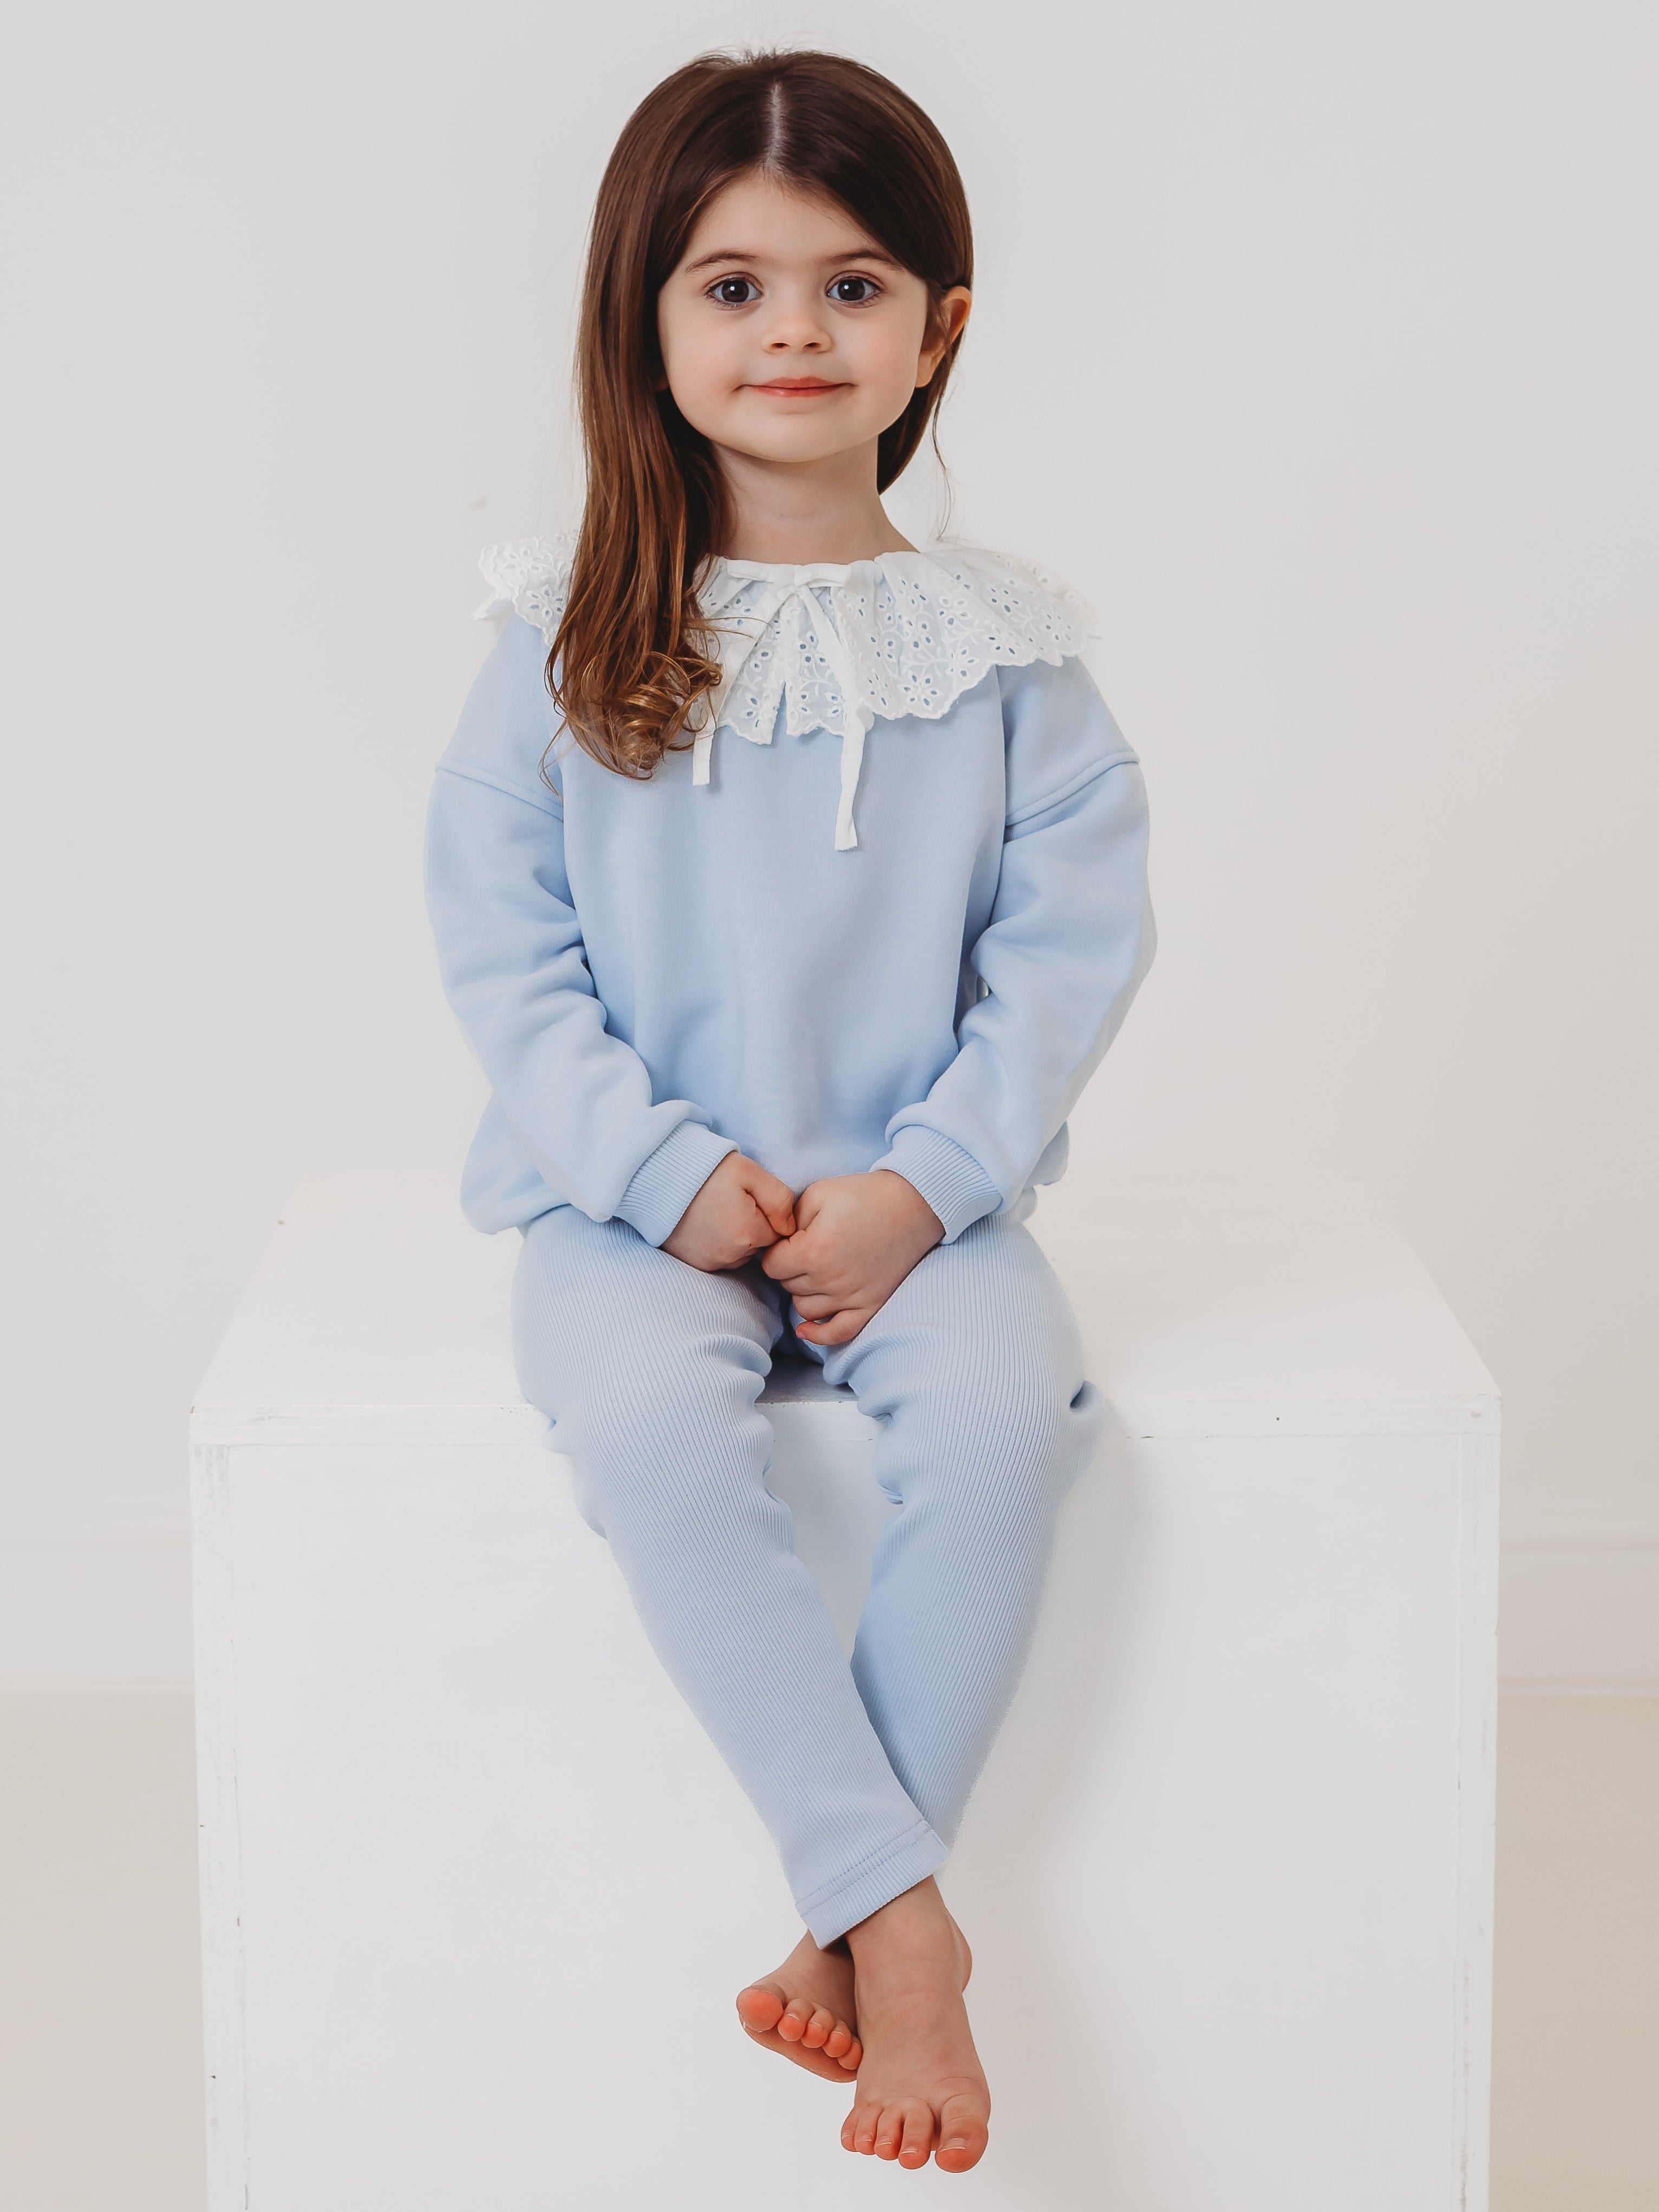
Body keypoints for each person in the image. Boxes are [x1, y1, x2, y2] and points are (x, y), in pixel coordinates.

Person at [424, 46, 1154, 2175]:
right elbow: (506, 956)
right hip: (626, 1213)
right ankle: (900, 1916)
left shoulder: (1012, 663)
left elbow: (1065, 959)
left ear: (938, 327)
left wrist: (923, 1188)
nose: (793, 333)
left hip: (922, 1212)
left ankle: (845, 1919)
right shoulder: (558, 642)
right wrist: (663, 1177)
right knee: (654, 1435)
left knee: (1007, 1425)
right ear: (644, 320)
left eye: (852, 286)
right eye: (732, 287)